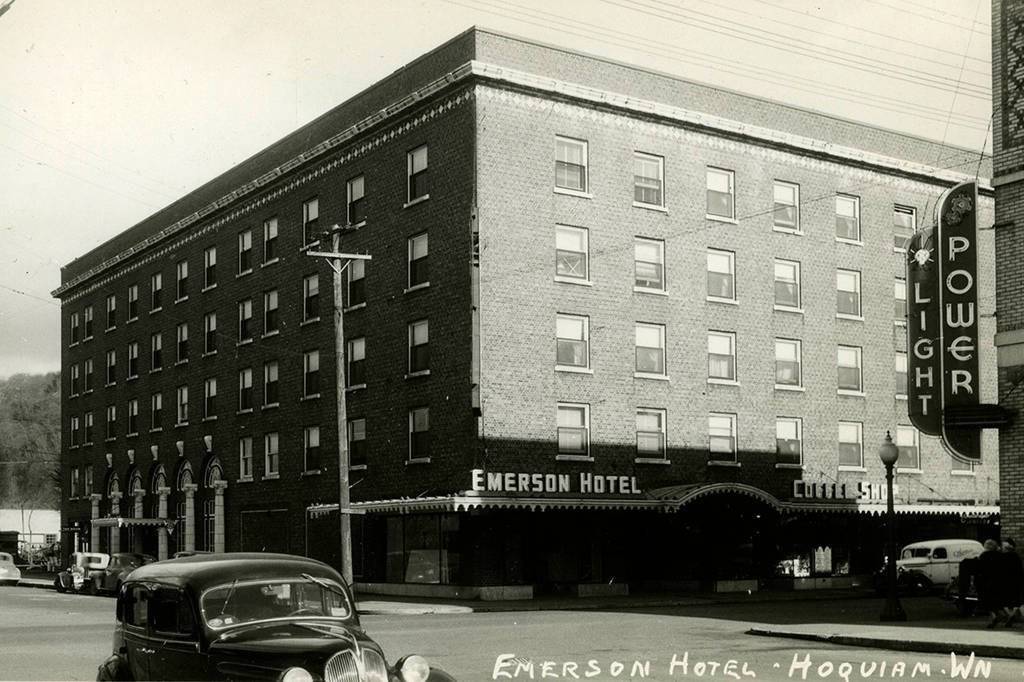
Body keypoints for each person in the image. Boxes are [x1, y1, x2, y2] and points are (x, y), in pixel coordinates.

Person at [977, 538, 1003, 627]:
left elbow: (979, 569)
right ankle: (1003, 615)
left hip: (986, 581)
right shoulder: (1000, 555)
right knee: (997, 600)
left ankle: (993, 616)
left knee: (987, 601)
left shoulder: (983, 556)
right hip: (998, 581)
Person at [1001, 538, 1023, 626]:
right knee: (1015, 600)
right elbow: (1020, 569)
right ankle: (1012, 614)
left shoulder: (1003, 557)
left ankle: (1010, 615)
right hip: (1016, 580)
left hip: (1005, 580)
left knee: (1004, 600)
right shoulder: (1017, 557)